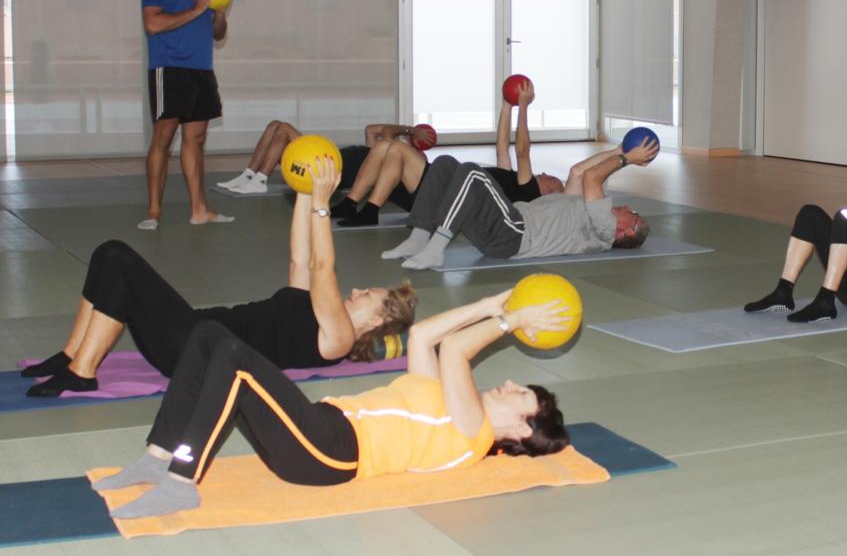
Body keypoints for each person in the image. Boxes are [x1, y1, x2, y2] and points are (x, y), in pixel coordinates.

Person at [93, 287, 571, 520]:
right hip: (319, 427)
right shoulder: (445, 398)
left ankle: (182, 478)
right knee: (208, 336)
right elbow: (424, 335)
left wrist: (510, 322)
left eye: (520, 393)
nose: (508, 382)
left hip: (332, 452)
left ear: (524, 429)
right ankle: (159, 456)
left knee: (235, 357)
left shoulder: (474, 433)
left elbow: (458, 351)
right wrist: (492, 305)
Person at [22, 159, 416, 397]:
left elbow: (322, 268)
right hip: (192, 331)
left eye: (369, 294)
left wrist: (324, 206)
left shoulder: (339, 336)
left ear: (378, 321)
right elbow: (301, 258)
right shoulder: (314, 307)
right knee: (109, 254)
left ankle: (84, 373)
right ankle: (72, 354)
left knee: (120, 259)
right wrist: (305, 189)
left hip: (195, 349)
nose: (358, 289)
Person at [382, 139, 659, 269]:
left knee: (472, 173)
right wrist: (619, 151)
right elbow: (579, 173)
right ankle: (419, 237)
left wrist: (626, 160)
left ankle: (436, 248)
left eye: (633, 214)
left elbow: (593, 178)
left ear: (628, 232)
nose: (626, 208)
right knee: (444, 165)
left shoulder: (605, 230)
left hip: (514, 233)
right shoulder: (583, 210)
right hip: (504, 228)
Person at [332, 87, 563, 227]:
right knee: (384, 146)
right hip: (440, 184)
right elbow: (503, 146)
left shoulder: (528, 192)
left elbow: (522, 151)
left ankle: (370, 210)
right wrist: (506, 106)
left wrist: (523, 107)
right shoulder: (512, 182)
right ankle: (351, 203)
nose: (543, 172)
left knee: (397, 149)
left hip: (442, 195)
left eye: (551, 178)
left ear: (549, 192)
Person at [139, 0, 232, 231]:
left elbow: (218, 34)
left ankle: (199, 209)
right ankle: (153, 212)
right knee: (163, 138)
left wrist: (218, 12)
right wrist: (195, 9)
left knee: (197, 138)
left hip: (201, 69)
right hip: (170, 67)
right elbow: (152, 23)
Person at [217, 121, 435, 197]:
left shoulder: (391, 153)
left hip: (330, 167)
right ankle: (248, 176)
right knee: (276, 125)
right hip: (328, 156)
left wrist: (410, 129)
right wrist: (410, 131)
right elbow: (372, 129)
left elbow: (387, 130)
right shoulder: (377, 149)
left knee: (283, 129)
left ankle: (260, 180)